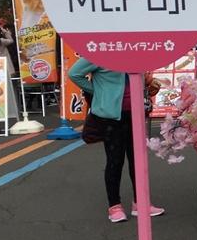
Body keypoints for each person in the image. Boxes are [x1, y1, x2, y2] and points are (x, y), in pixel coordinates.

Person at [68, 58, 165, 223]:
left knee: (138, 160)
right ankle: (114, 206)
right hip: (111, 116)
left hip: (136, 112)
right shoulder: (101, 51)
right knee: (115, 160)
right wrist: (99, 92)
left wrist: (148, 81)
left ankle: (140, 203)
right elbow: (74, 73)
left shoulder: (135, 51)